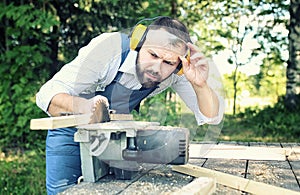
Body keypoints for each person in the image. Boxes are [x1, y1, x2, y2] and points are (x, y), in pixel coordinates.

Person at [36, 16, 223, 194]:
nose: (157, 68)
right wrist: (87, 108)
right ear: (138, 43)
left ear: (179, 65)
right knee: (65, 192)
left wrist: (200, 85)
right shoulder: (107, 50)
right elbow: (47, 94)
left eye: (168, 62)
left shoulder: (177, 70)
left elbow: (212, 116)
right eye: (153, 54)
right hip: (71, 130)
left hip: (114, 136)